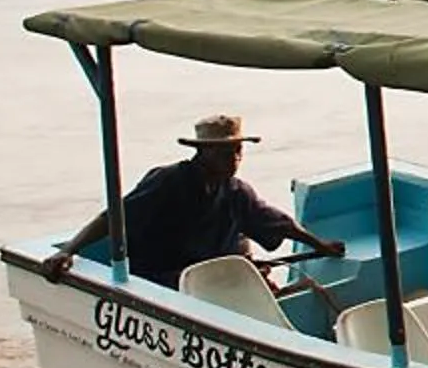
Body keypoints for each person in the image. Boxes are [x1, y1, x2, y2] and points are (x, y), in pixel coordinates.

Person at [41, 114, 340, 286]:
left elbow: (279, 223)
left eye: (238, 151)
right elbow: (113, 218)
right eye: (226, 152)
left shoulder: (236, 191)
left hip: (214, 275)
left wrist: (320, 245)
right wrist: (67, 251)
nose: (234, 159)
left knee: (257, 280)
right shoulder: (168, 181)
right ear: (203, 152)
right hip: (163, 277)